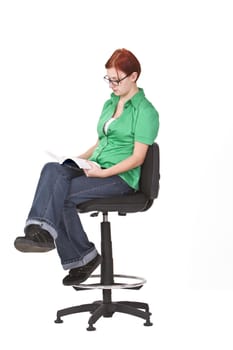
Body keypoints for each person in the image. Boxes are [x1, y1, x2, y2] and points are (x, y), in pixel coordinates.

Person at [14, 48, 159, 286]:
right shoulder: (109, 104)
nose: (112, 84)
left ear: (133, 76)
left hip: (120, 178)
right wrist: (75, 160)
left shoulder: (146, 112)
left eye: (117, 79)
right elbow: (101, 142)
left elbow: (137, 158)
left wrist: (104, 172)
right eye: (109, 79)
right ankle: (38, 232)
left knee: (60, 195)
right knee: (53, 169)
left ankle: (80, 256)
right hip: (96, 167)